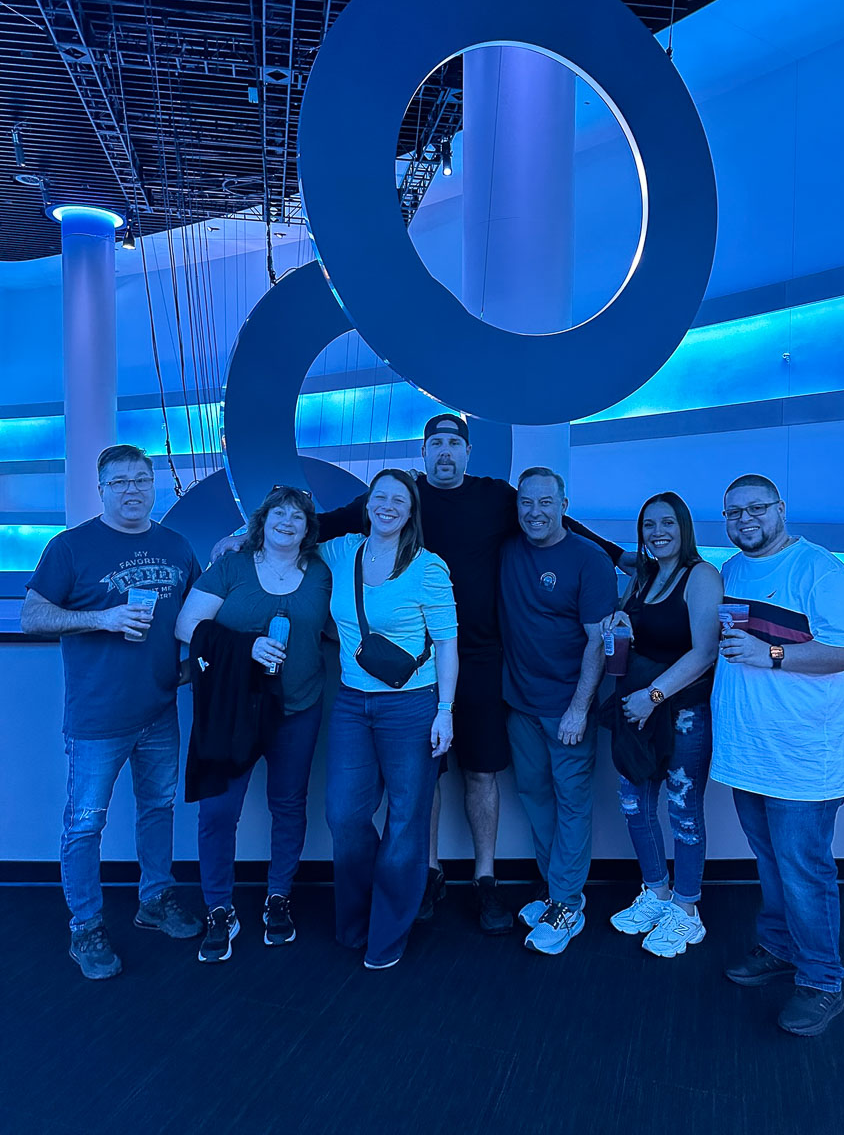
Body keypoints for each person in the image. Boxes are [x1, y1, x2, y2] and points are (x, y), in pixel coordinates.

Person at [219, 414, 624, 933]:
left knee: (481, 772)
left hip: (480, 659)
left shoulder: (496, 497)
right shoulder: (401, 496)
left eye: (454, 443)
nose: (445, 452)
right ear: (425, 451)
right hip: (412, 674)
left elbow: (561, 524)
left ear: (468, 451)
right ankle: (429, 873)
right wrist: (246, 537)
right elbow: (325, 523)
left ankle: (485, 879)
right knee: (424, 779)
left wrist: (621, 557)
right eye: (436, 443)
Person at [20, 444, 203, 980]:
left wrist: (191, 663)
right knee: (84, 825)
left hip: (160, 708)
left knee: (158, 808)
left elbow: (198, 612)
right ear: (101, 489)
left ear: (153, 485)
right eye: (119, 482)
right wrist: (103, 619)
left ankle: (155, 899)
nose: (131, 490)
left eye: (140, 480)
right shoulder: (70, 547)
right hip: (97, 718)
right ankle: (86, 926)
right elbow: (32, 616)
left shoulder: (175, 545)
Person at [712, 474, 844, 1037]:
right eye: (733, 512)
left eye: (755, 508)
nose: (744, 520)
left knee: (805, 871)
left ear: (780, 508)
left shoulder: (821, 571)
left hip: (804, 759)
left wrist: (773, 653)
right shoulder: (732, 570)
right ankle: (780, 947)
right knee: (771, 861)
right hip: (749, 751)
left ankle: (823, 982)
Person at [175, 487, 332, 963]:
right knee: (218, 812)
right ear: (261, 521)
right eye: (279, 513)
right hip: (233, 709)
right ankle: (219, 909)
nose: (288, 521)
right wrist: (247, 647)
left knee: (289, 805)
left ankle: (278, 896)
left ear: (308, 529)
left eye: (298, 516)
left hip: (297, 707)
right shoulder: (231, 566)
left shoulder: (321, 573)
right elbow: (186, 626)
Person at [317, 468, 457, 969]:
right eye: (381, 497)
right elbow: (285, 546)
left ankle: (388, 934)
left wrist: (445, 712)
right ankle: (358, 920)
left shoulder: (428, 567)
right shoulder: (341, 551)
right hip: (352, 705)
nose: (388, 506)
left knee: (406, 819)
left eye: (400, 499)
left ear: (411, 510)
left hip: (412, 706)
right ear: (367, 503)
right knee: (344, 815)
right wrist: (237, 542)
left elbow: (448, 646)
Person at [499, 467, 618, 955]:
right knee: (535, 796)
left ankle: (568, 903)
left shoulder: (590, 560)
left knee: (571, 803)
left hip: (567, 708)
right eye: (526, 502)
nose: (535, 512)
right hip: (520, 705)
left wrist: (578, 709)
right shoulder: (508, 551)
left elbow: (597, 641)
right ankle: (556, 892)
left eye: (545, 502)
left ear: (564, 506)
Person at [602, 492, 722, 957]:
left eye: (667, 523)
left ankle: (687, 910)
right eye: (649, 525)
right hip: (638, 711)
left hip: (681, 711)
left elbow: (705, 652)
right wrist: (620, 621)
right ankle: (656, 892)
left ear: (683, 527)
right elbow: (634, 633)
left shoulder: (701, 575)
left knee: (682, 810)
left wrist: (653, 696)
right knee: (634, 803)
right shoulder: (644, 575)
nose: (657, 532)